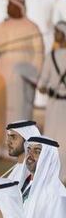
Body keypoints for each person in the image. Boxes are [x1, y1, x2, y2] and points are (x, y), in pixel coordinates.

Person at [0, 0, 44, 158]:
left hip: (22, 78)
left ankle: (17, 150)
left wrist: (34, 76)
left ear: (19, 7)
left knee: (18, 113)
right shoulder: (1, 26)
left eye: (11, 5)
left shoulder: (32, 27)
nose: (7, 8)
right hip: (2, 76)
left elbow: (39, 54)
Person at [37, 22, 66, 180]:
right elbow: (42, 83)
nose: (55, 34)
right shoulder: (51, 55)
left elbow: (42, 83)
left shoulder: (51, 55)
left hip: (57, 104)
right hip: (54, 104)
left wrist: (44, 87)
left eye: (58, 32)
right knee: (52, 139)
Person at [4, 119, 40, 183]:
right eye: (8, 137)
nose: (7, 142)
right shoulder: (19, 166)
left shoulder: (32, 173)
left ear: (27, 141)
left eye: (13, 137)